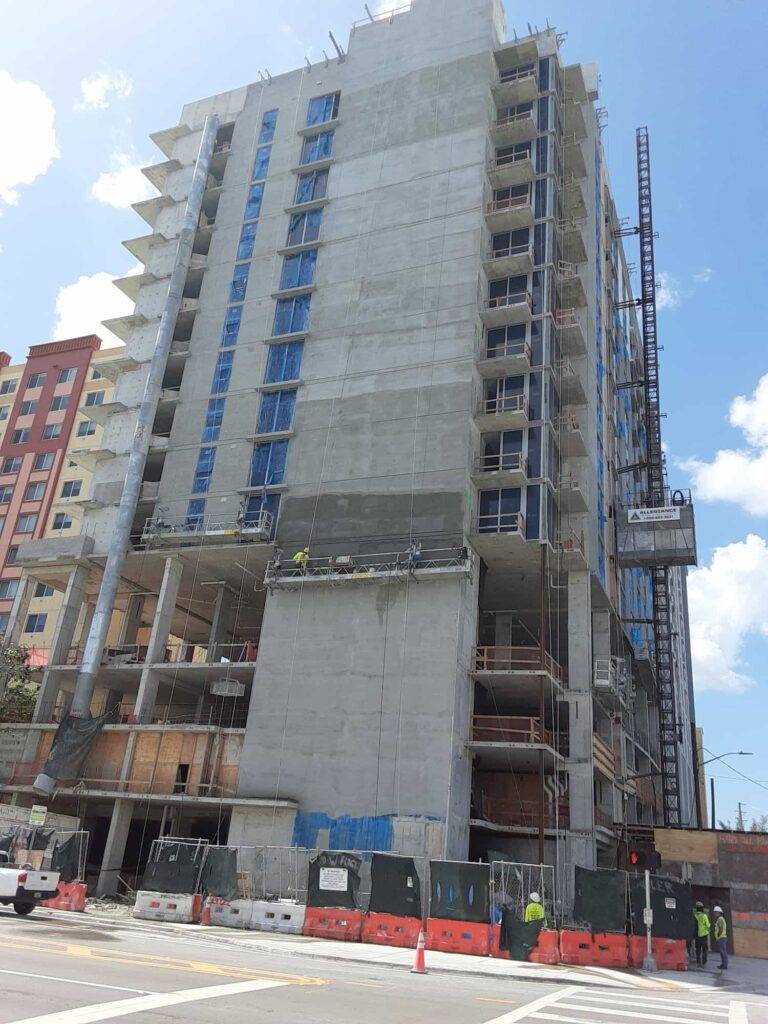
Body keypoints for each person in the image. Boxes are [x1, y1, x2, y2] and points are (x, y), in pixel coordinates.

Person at [693, 901, 710, 966]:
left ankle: (698, 962)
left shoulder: (694, 916)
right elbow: (708, 925)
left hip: (697, 935)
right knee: (704, 949)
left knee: (698, 949)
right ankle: (704, 962)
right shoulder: (704, 916)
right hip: (704, 935)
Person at [713, 905, 728, 970]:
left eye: (716, 912)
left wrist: (718, 937)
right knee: (722, 952)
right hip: (721, 937)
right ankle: (723, 964)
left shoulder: (720, 919)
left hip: (721, 938)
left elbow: (721, 929)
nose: (715, 913)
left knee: (723, 952)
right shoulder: (720, 919)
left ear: (719, 912)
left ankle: (725, 965)